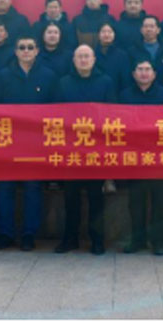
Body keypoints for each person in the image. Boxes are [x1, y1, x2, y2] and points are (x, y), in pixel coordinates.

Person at [0, 36, 57, 251]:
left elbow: (56, 109)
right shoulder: (3, 75)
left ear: (37, 51)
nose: (26, 50)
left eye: (30, 47)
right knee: (4, 187)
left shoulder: (48, 75)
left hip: (36, 142)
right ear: (16, 51)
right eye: (22, 47)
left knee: (33, 188)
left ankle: (29, 234)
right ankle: (5, 233)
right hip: (7, 141)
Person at [54, 45, 116, 254]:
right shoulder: (63, 83)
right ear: (73, 60)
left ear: (94, 59)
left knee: (96, 198)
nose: (83, 60)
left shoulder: (106, 81)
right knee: (70, 198)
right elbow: (55, 114)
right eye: (79, 56)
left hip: (96, 149)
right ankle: (70, 238)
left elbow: (113, 114)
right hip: (71, 149)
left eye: (87, 56)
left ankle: (97, 240)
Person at [119, 59, 163, 255]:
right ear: (134, 74)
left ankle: (159, 241)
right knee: (136, 202)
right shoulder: (125, 96)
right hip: (134, 157)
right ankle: (137, 240)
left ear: (154, 74)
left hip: (159, 158)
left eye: (148, 69)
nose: (144, 73)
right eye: (140, 69)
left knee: (160, 202)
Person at [128, 15, 163, 94]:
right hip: (139, 93)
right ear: (141, 30)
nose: (148, 29)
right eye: (146, 26)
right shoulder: (132, 51)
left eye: (152, 26)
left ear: (158, 30)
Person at [94, 23, 131, 94]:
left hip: (116, 94)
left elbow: (126, 80)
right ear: (98, 35)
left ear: (114, 35)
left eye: (110, 32)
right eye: (103, 32)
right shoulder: (92, 54)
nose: (106, 34)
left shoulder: (122, 55)